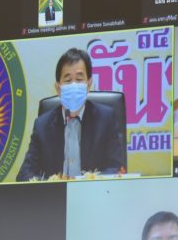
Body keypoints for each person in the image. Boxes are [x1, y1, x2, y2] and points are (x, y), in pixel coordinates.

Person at [17, 48, 125, 181]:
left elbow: (116, 168)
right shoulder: (42, 125)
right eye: (68, 80)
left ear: (89, 84)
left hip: (93, 192)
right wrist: (51, 183)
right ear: (58, 88)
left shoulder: (106, 119)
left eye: (79, 79)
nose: (74, 85)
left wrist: (89, 182)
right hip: (56, 193)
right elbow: (24, 174)